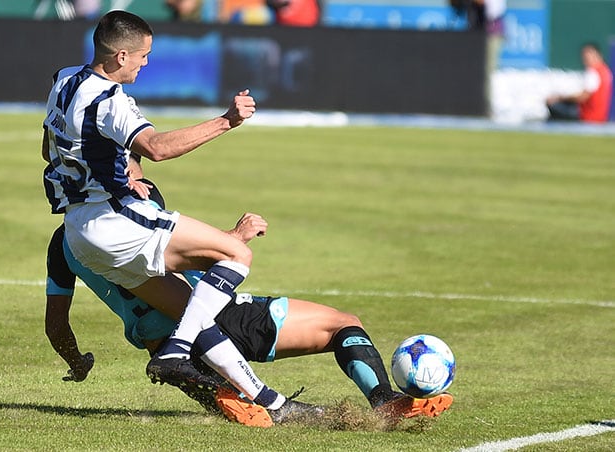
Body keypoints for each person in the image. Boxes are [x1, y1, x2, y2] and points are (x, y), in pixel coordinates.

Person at [44, 171, 454, 428]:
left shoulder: (66, 242)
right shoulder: (140, 201)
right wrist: (232, 238)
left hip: (167, 341)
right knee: (344, 324)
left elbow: (56, 324)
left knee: (238, 403)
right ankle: (383, 401)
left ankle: (227, 392)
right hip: (223, 315)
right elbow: (171, 258)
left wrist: (77, 362)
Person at [41, 10, 297, 418]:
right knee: (235, 253)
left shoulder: (64, 77)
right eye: (143, 56)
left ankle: (273, 403)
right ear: (120, 56)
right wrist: (227, 120)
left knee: (193, 310)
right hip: (113, 220)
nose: (146, 63)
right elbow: (156, 149)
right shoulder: (110, 101)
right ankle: (175, 351)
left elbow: (48, 148)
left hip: (78, 231)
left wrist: (109, 170)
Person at [546, 43, 613, 123]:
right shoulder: (606, 71)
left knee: (553, 105)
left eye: (588, 56)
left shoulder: (593, 72)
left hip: (588, 116)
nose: (586, 59)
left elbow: (583, 97)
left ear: (598, 55)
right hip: (601, 116)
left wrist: (560, 98)